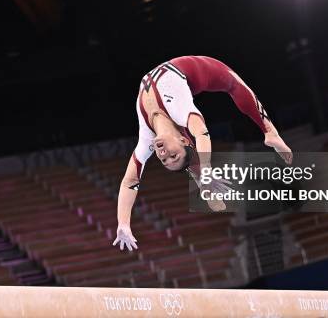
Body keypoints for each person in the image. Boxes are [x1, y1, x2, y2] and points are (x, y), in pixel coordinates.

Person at [112, 56, 292, 251]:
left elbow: (130, 182)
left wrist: (123, 223)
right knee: (233, 83)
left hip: (179, 84)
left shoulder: (146, 140)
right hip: (198, 71)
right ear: (182, 141)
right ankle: (270, 131)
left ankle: (198, 177)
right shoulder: (181, 112)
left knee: (192, 158)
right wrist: (205, 171)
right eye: (173, 156)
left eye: (164, 159)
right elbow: (201, 133)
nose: (164, 154)